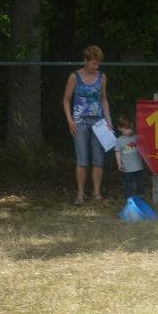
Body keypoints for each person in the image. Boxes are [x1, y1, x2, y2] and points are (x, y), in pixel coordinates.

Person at [63, 45, 112, 204]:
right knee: (82, 159)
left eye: (98, 64)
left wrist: (108, 120)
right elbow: (66, 100)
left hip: (98, 122)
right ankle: (80, 194)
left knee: (98, 159)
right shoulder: (74, 77)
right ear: (85, 60)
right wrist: (70, 120)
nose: (96, 66)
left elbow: (103, 99)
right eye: (93, 63)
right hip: (79, 122)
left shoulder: (102, 77)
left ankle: (97, 193)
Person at [114, 113, 144, 199]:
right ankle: (129, 199)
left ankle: (141, 197)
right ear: (120, 128)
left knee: (140, 183)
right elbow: (118, 152)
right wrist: (119, 164)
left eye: (131, 128)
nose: (130, 131)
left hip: (138, 166)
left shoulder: (137, 137)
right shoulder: (119, 140)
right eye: (127, 128)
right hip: (127, 168)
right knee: (128, 184)